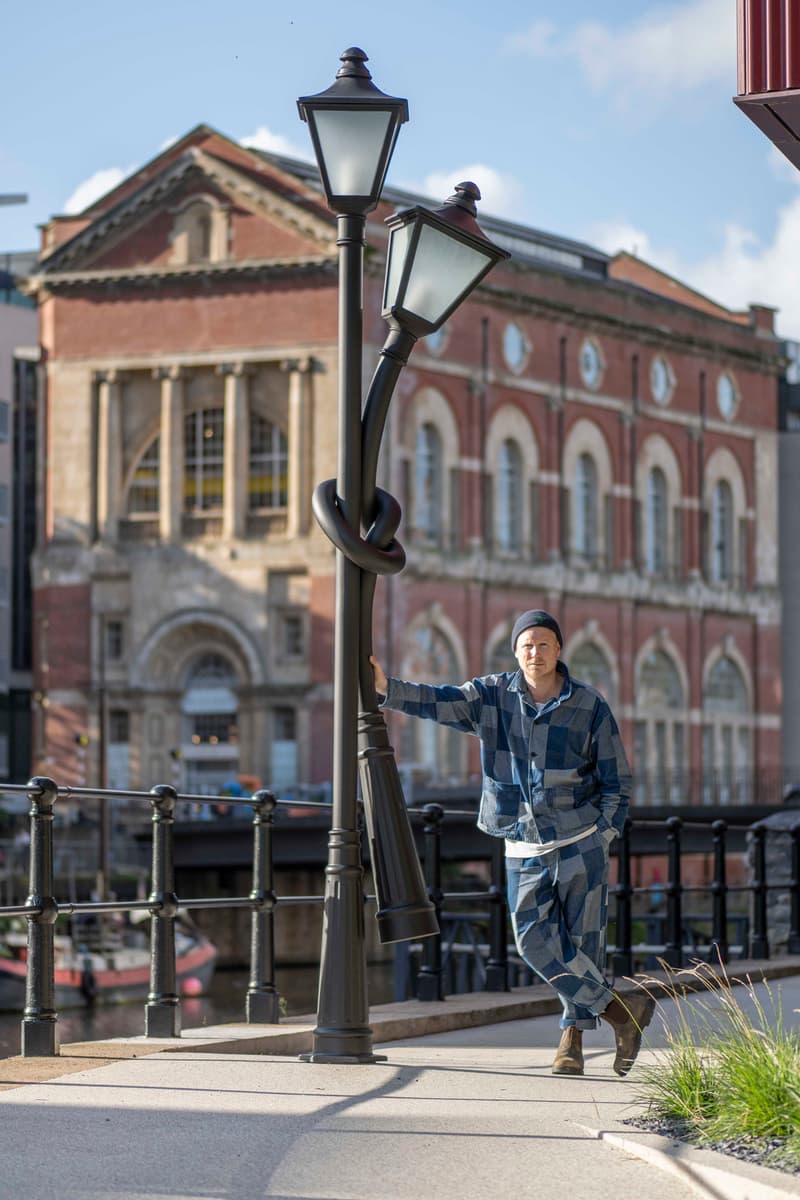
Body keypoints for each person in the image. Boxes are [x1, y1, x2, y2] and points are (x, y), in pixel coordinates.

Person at [371, 608, 655, 1078]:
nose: (534, 652)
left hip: (580, 839)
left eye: (544, 644)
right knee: (533, 940)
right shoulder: (491, 697)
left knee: (582, 942)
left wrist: (606, 831)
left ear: (559, 650)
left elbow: (617, 779)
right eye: (527, 644)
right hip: (521, 839)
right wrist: (386, 689)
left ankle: (573, 1040)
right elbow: (438, 701)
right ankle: (622, 1014)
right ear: (515, 650)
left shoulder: (589, 705)